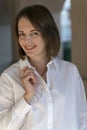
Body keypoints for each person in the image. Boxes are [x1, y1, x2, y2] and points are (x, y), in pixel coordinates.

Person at [0, 4, 87, 130]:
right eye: (22, 34)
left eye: (34, 33)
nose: (26, 40)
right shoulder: (9, 77)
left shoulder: (70, 71)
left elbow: (82, 117)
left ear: (48, 34)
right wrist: (27, 98)